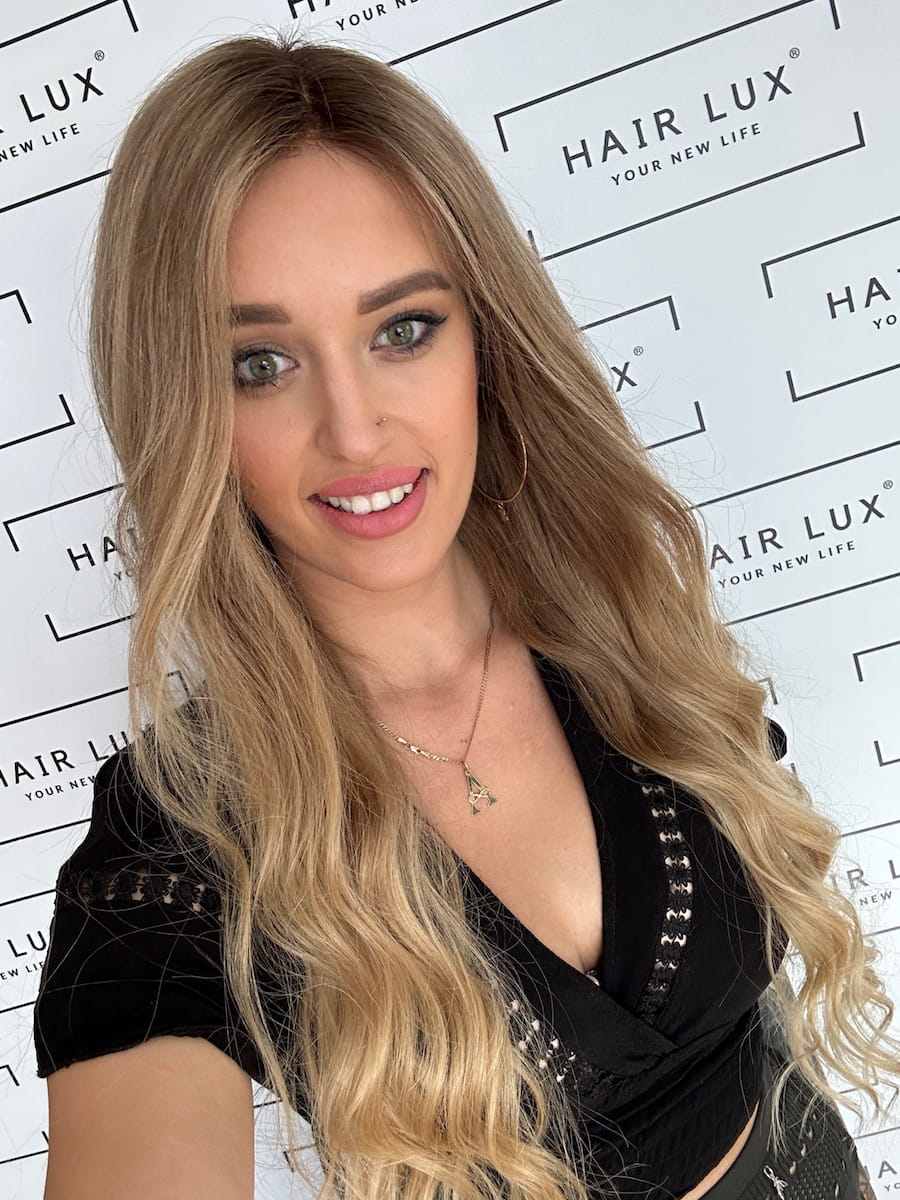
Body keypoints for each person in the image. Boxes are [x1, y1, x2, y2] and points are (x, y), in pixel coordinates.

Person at [32, 29, 894, 1200]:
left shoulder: (617, 617)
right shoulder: (177, 840)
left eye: (402, 329)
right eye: (259, 365)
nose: (355, 430)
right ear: (185, 405)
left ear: (483, 339)